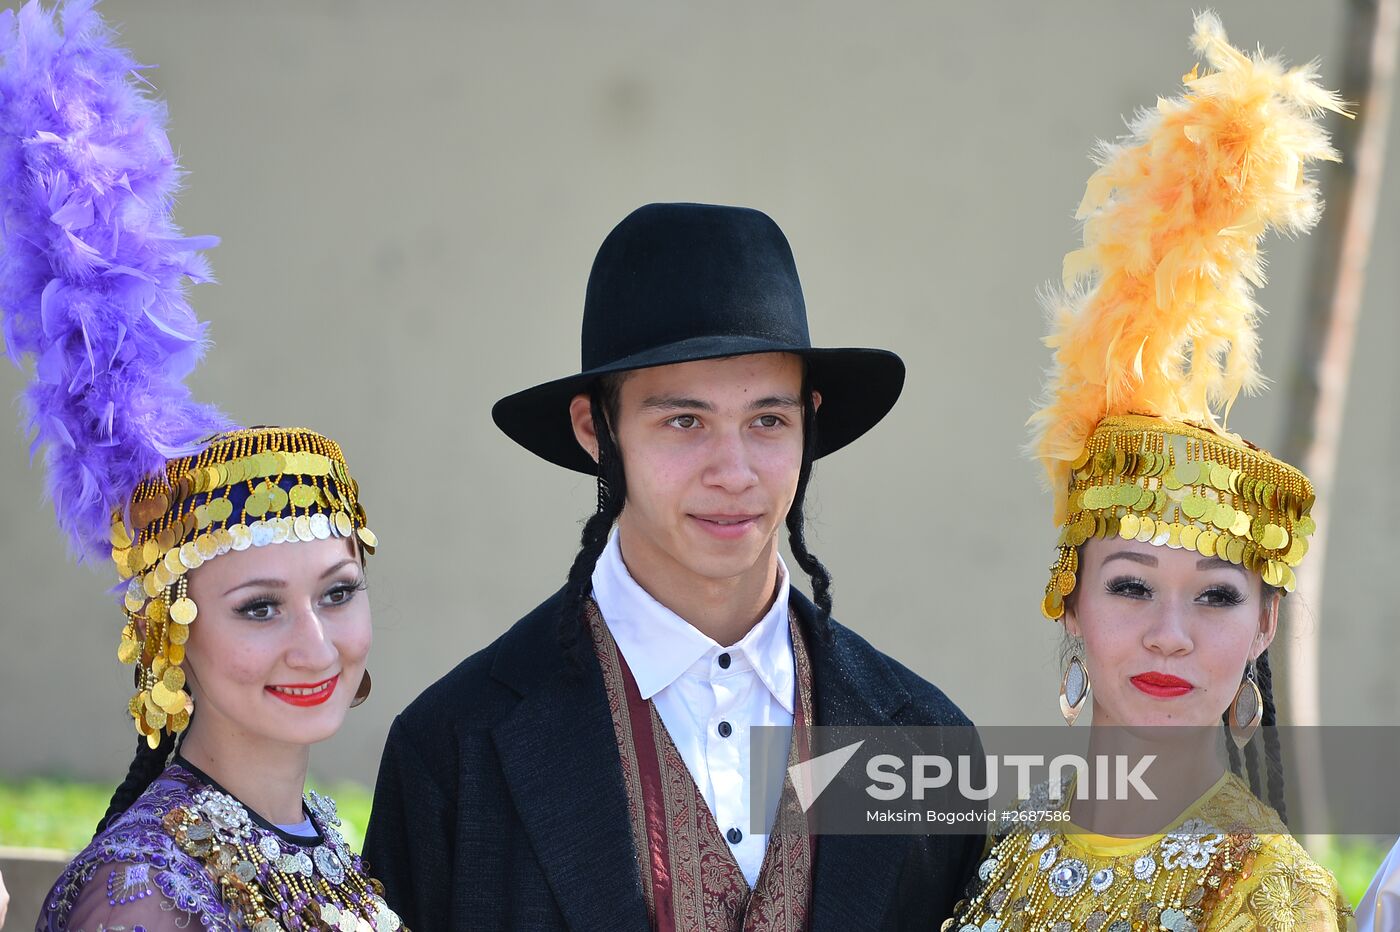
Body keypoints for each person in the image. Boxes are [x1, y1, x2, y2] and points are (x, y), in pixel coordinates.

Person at [364, 201, 982, 930]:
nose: (734, 470)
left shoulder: (927, 742)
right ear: (596, 429)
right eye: (684, 421)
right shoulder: (453, 749)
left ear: (808, 424)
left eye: (768, 421)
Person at [944, 13, 1352, 931]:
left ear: (1264, 627)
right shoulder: (1006, 853)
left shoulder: (1268, 893)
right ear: (1070, 600)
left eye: (1216, 596)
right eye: (1131, 585)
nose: (1171, 635)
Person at [0, 5, 402, 930]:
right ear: (168, 635)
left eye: (337, 591)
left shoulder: (317, 837)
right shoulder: (139, 893)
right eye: (259, 606)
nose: (315, 643)